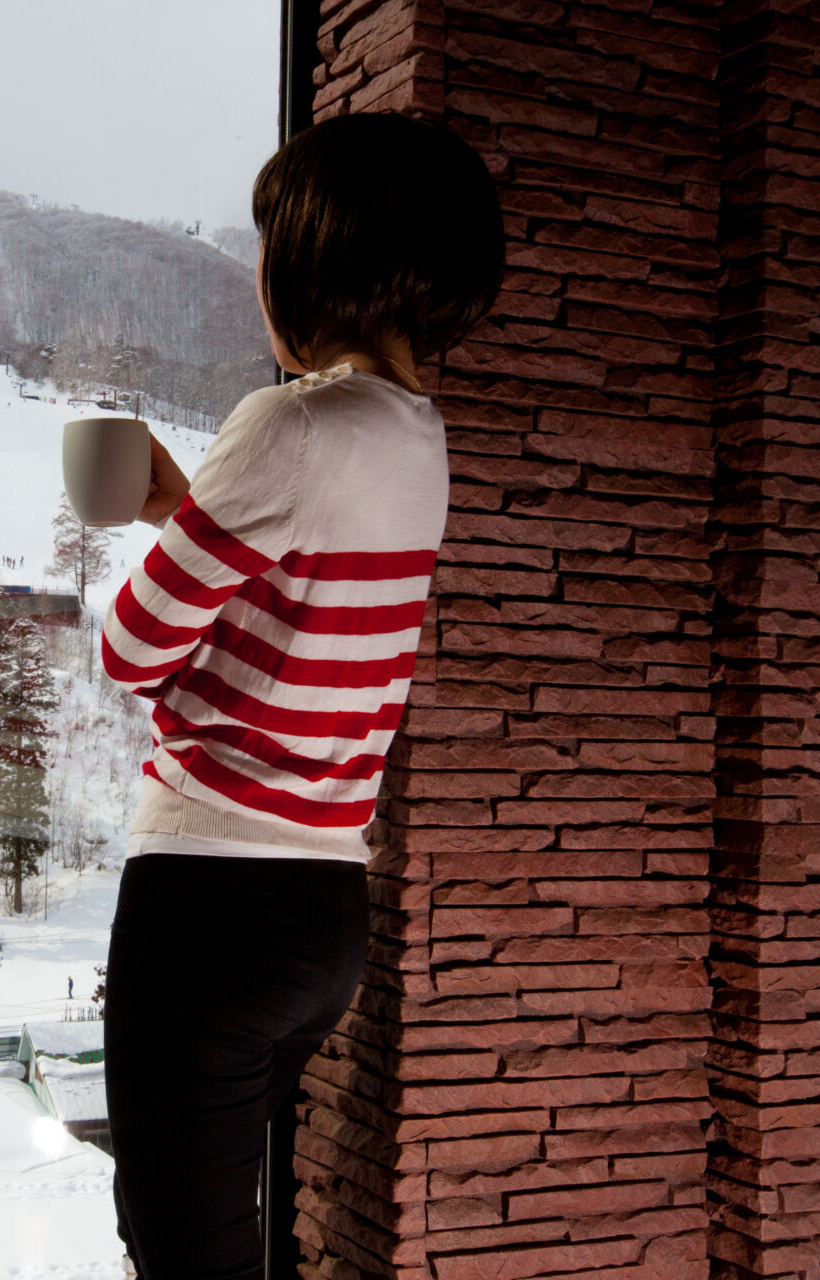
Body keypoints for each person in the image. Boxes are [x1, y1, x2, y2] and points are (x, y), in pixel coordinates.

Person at [97, 112, 503, 1280]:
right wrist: (195, 513)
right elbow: (312, 602)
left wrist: (177, 527)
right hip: (323, 914)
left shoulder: (286, 421)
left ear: (318, 260)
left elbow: (132, 647)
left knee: (182, 1251)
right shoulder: (418, 440)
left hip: (207, 904)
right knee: (228, 1232)